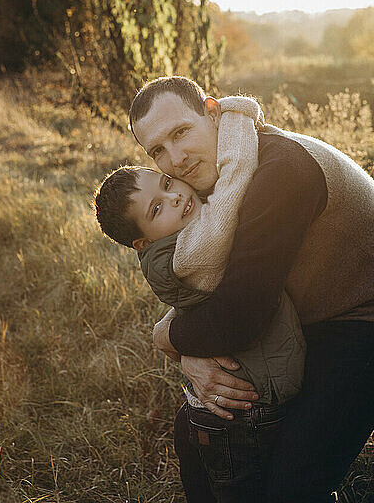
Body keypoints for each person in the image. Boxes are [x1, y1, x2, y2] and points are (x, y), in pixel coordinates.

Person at [128, 75, 374, 503]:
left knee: (289, 485)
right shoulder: (227, 172)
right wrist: (189, 346)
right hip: (304, 314)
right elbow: (224, 278)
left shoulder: (278, 172)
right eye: (157, 151)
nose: (176, 159)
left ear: (212, 110)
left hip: (362, 318)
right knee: (197, 432)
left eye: (181, 132)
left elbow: (240, 316)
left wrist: (169, 338)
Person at [94, 96, 306, 502]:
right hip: (245, 408)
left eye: (167, 184)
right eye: (157, 208)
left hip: (244, 393)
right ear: (143, 242)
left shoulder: (178, 235)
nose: (175, 196)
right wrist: (238, 116)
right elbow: (234, 181)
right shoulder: (190, 250)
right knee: (245, 488)